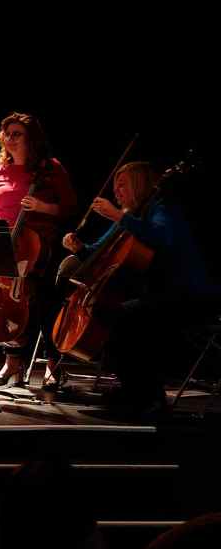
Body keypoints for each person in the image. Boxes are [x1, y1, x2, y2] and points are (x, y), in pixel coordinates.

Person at [62, 162, 220, 420]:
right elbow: (99, 251)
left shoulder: (161, 207)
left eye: (122, 185)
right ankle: (133, 391)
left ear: (138, 184)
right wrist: (79, 247)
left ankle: (149, 397)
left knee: (127, 318)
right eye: (115, 186)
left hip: (189, 294)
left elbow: (161, 237)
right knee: (115, 315)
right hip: (161, 294)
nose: (116, 191)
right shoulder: (130, 215)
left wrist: (119, 216)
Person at [0, 112, 77, 386]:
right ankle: (12, 364)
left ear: (31, 138)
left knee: (45, 305)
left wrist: (43, 207)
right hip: (6, 244)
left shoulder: (50, 168)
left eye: (17, 134)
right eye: (7, 134)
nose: (10, 139)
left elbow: (70, 207)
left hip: (39, 246)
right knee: (10, 304)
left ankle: (53, 366)